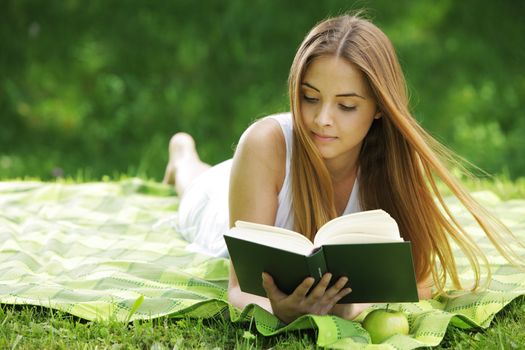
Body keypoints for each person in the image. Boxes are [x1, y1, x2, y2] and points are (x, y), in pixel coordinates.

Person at [163, 13, 524, 324]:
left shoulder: (396, 160)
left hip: (254, 178)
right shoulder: (262, 144)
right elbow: (239, 290)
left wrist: (348, 309)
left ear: (379, 107)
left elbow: (420, 280)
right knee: (196, 186)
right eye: (310, 98)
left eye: (346, 106)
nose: (322, 120)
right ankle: (182, 154)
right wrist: (280, 309)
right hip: (227, 198)